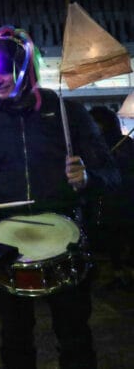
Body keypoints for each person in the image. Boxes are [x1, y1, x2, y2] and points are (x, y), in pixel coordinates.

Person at [0, 26, 120, 369]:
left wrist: (87, 176)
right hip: (5, 243)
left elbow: (112, 175)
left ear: (23, 66)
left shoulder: (66, 113)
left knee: (74, 334)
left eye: (2, 70)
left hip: (66, 236)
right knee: (14, 338)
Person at [87, 105, 134, 290]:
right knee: (113, 235)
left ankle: (127, 270)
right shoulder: (94, 144)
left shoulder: (124, 143)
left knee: (126, 234)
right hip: (108, 198)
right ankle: (119, 271)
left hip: (125, 195)